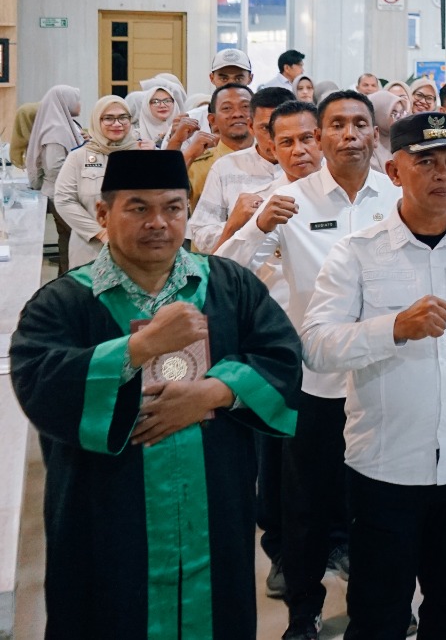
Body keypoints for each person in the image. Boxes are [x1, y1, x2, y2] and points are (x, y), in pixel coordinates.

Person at [10, 148, 302, 640]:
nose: (159, 223)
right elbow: (40, 381)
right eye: (138, 207)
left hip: (214, 505)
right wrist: (139, 347)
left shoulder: (229, 286)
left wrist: (214, 392)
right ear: (103, 214)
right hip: (106, 511)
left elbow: (283, 357)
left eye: (172, 207)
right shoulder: (64, 302)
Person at [302, 113, 446, 638]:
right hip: (384, 467)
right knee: (379, 612)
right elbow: (315, 346)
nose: (442, 174)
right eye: (425, 161)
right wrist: (392, 329)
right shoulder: (358, 253)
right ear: (393, 170)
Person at [218, 92, 401, 638]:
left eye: (360, 125)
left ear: (374, 135)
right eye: (336, 125)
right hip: (315, 383)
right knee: (305, 508)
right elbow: (223, 278)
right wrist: (252, 228)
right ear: (318, 137)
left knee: (380, 505)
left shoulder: (396, 197)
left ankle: (383, 602)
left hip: (383, 377)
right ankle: (303, 610)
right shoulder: (287, 200)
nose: (349, 134)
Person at [189, 86, 295, 253]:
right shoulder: (225, 167)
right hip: (246, 274)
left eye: (284, 129)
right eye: (266, 129)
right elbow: (201, 233)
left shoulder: (318, 167)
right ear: (251, 126)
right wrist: (239, 225)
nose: (276, 138)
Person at [53, 94, 136, 268]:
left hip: (136, 249)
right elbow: (64, 200)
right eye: (108, 118)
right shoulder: (78, 157)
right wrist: (100, 234)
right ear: (96, 121)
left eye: (123, 117)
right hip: (91, 249)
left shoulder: (144, 153)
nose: (117, 123)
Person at [26, 84, 85, 274]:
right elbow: (54, 167)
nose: (80, 104)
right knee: (71, 241)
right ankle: (70, 280)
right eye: (77, 100)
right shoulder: (56, 131)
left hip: (65, 192)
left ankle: (67, 278)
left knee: (68, 241)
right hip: (61, 194)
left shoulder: (67, 125)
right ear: (65, 103)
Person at [187, 83, 256, 207]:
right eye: (227, 108)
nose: (237, 114)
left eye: (245, 106)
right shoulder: (195, 166)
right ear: (212, 120)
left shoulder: (273, 160)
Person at [184, 49, 255, 135]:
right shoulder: (192, 119)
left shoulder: (262, 119)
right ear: (212, 78)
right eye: (224, 79)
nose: (231, 84)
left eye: (238, 79)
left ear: (250, 78)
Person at [135, 74, 188, 148]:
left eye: (167, 101)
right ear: (146, 106)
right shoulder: (135, 136)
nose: (162, 105)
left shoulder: (186, 132)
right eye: (155, 102)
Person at [367, 89, 405, 167]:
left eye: (401, 113)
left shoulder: (402, 141)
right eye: (394, 113)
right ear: (379, 115)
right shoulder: (368, 151)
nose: (400, 118)